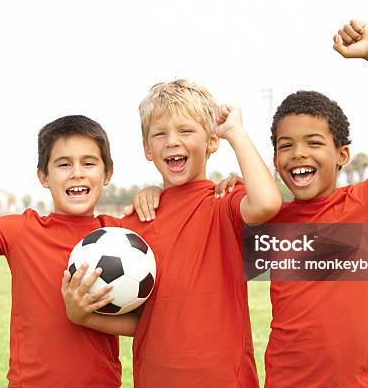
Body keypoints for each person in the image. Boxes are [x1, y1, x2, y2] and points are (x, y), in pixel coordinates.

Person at [63, 79, 282, 387]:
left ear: (211, 142)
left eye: (186, 131)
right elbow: (144, 322)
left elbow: (268, 203)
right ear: (147, 149)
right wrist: (83, 316)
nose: (172, 141)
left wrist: (235, 133)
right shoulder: (133, 229)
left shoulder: (223, 204)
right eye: (160, 133)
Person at [264, 19, 368, 387]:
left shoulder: (367, 204)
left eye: (313, 142)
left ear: (342, 155)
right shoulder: (269, 217)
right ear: (275, 158)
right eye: (285, 145)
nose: (298, 154)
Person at [0, 115, 133, 387]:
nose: (77, 172)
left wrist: (153, 191)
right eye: (63, 164)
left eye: (89, 162)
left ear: (107, 173)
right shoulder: (23, 231)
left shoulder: (125, 239)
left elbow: (145, 323)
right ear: (43, 176)